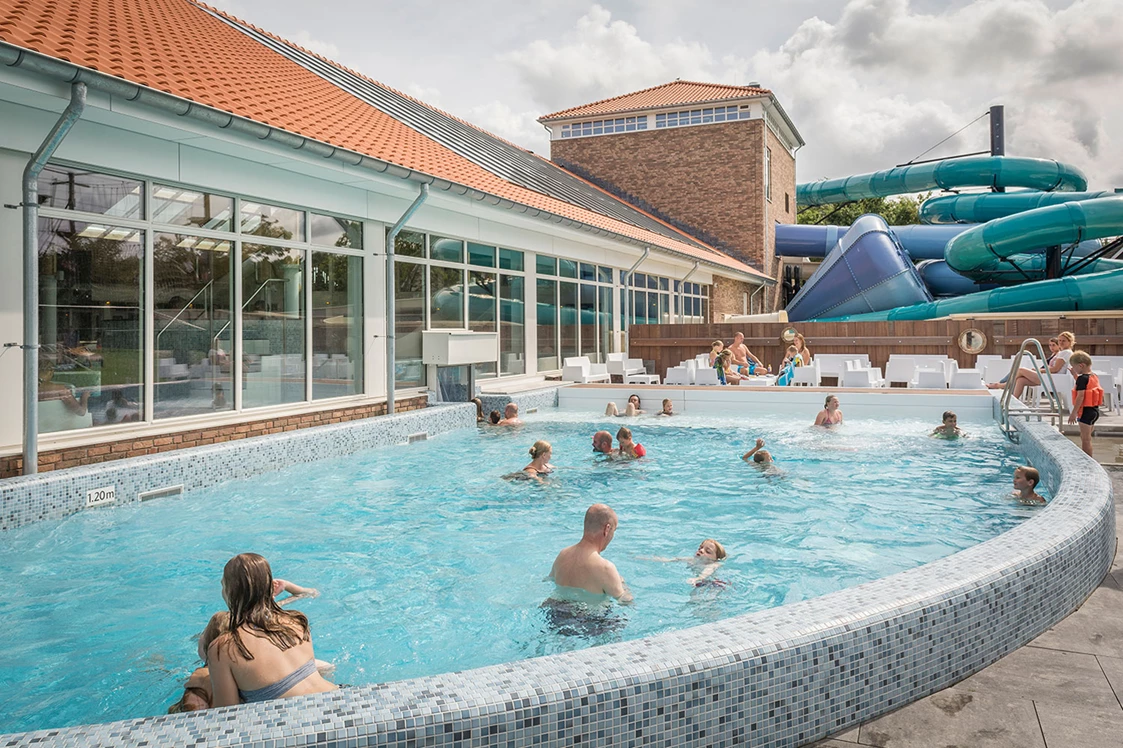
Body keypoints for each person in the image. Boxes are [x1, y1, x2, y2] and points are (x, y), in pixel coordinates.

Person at [207, 553, 338, 707]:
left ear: (229, 591)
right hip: (339, 695)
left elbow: (225, 714)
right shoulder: (296, 621)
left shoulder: (222, 649)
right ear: (269, 587)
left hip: (301, 717)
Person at [549, 504, 632, 602]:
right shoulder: (606, 568)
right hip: (587, 616)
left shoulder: (562, 555)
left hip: (554, 612)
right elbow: (625, 601)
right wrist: (622, 583)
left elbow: (549, 580)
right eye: (614, 530)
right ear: (607, 529)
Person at [992, 331, 1075, 399]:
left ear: (1070, 342)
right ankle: (1013, 400)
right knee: (1021, 380)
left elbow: (1055, 369)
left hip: (1053, 379)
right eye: (1060, 340)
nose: (1061, 342)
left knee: (1021, 370)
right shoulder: (1062, 353)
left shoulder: (1065, 353)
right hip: (1050, 377)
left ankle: (1002, 385)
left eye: (1063, 341)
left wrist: (1038, 370)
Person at [641, 539, 728, 587]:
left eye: (707, 551)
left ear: (716, 559)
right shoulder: (691, 560)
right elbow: (672, 560)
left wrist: (697, 579)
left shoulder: (713, 564)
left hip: (714, 584)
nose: (701, 550)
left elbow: (707, 572)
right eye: (700, 547)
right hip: (699, 582)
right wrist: (650, 559)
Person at [1067, 351, 1103, 457]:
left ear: (1081, 365)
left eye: (1074, 367)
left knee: (1085, 440)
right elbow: (1085, 384)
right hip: (1094, 411)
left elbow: (1080, 396)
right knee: (1086, 438)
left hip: (1085, 412)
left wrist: (1074, 413)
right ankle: (1089, 458)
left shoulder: (1082, 379)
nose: (1074, 369)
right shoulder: (1093, 376)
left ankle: (1088, 462)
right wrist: (1075, 375)